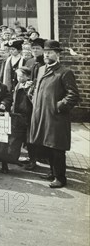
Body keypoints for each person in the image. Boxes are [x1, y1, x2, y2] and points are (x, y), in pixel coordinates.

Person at [29, 40, 80, 188]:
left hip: (56, 117)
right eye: (45, 52)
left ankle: (60, 178)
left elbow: (73, 95)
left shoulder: (64, 72)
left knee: (57, 148)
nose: (46, 55)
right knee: (47, 146)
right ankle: (52, 173)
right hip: (42, 115)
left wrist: (58, 106)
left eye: (50, 52)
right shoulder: (41, 70)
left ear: (57, 54)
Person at [11, 67, 35, 171]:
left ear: (28, 76)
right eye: (18, 76)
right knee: (18, 137)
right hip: (17, 115)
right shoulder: (18, 85)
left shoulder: (30, 87)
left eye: (21, 76)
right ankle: (16, 157)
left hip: (27, 116)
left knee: (29, 140)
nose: (19, 78)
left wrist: (27, 89)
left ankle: (33, 161)